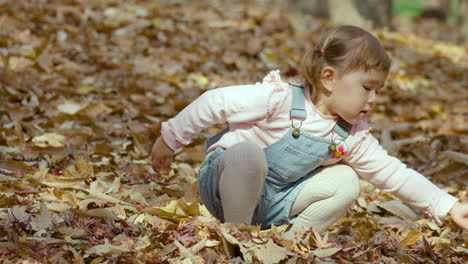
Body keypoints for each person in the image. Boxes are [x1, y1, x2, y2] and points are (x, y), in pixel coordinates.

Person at [151, 25, 468, 238]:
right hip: (226, 186)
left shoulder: (351, 135)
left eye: (378, 91)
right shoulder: (278, 100)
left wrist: (448, 205)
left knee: (346, 181)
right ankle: (236, 239)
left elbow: (395, 175)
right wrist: (171, 139)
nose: (373, 99)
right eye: (367, 88)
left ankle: (290, 243)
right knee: (247, 155)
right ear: (329, 78)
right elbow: (215, 101)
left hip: (275, 202)